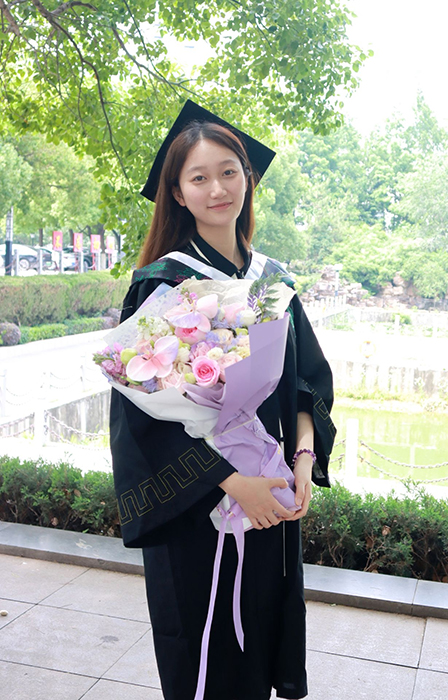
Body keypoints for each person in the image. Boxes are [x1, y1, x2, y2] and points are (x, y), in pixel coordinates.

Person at [109, 100, 336, 700]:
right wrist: (234, 484)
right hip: (200, 505)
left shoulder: (273, 282)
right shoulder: (162, 283)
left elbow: (307, 379)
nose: (218, 189)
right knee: (205, 650)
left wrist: (303, 459)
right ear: (177, 193)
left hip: (270, 487)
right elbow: (140, 417)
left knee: (259, 641)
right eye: (199, 177)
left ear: (248, 178)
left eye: (229, 172)